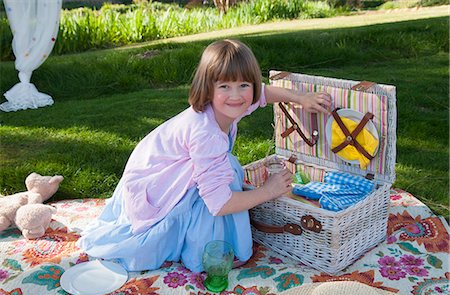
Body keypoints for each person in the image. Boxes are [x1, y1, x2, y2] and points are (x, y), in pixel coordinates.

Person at [77, 39, 331, 273]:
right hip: (153, 187)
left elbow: (263, 93)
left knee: (227, 168)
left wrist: (300, 98)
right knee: (228, 175)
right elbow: (219, 204)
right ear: (208, 89)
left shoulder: (225, 107)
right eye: (225, 86)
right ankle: (197, 244)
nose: (236, 95)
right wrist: (268, 190)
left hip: (161, 170)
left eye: (244, 85)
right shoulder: (206, 134)